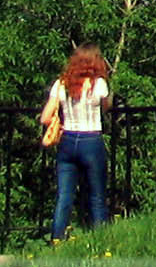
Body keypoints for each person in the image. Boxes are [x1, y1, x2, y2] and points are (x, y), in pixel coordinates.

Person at [39, 45, 112, 238]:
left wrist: (59, 125)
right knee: (97, 196)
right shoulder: (99, 84)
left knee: (64, 197)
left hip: (68, 141)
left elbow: (45, 118)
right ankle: (101, 241)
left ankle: (57, 240)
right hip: (91, 140)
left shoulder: (62, 83)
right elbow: (105, 107)